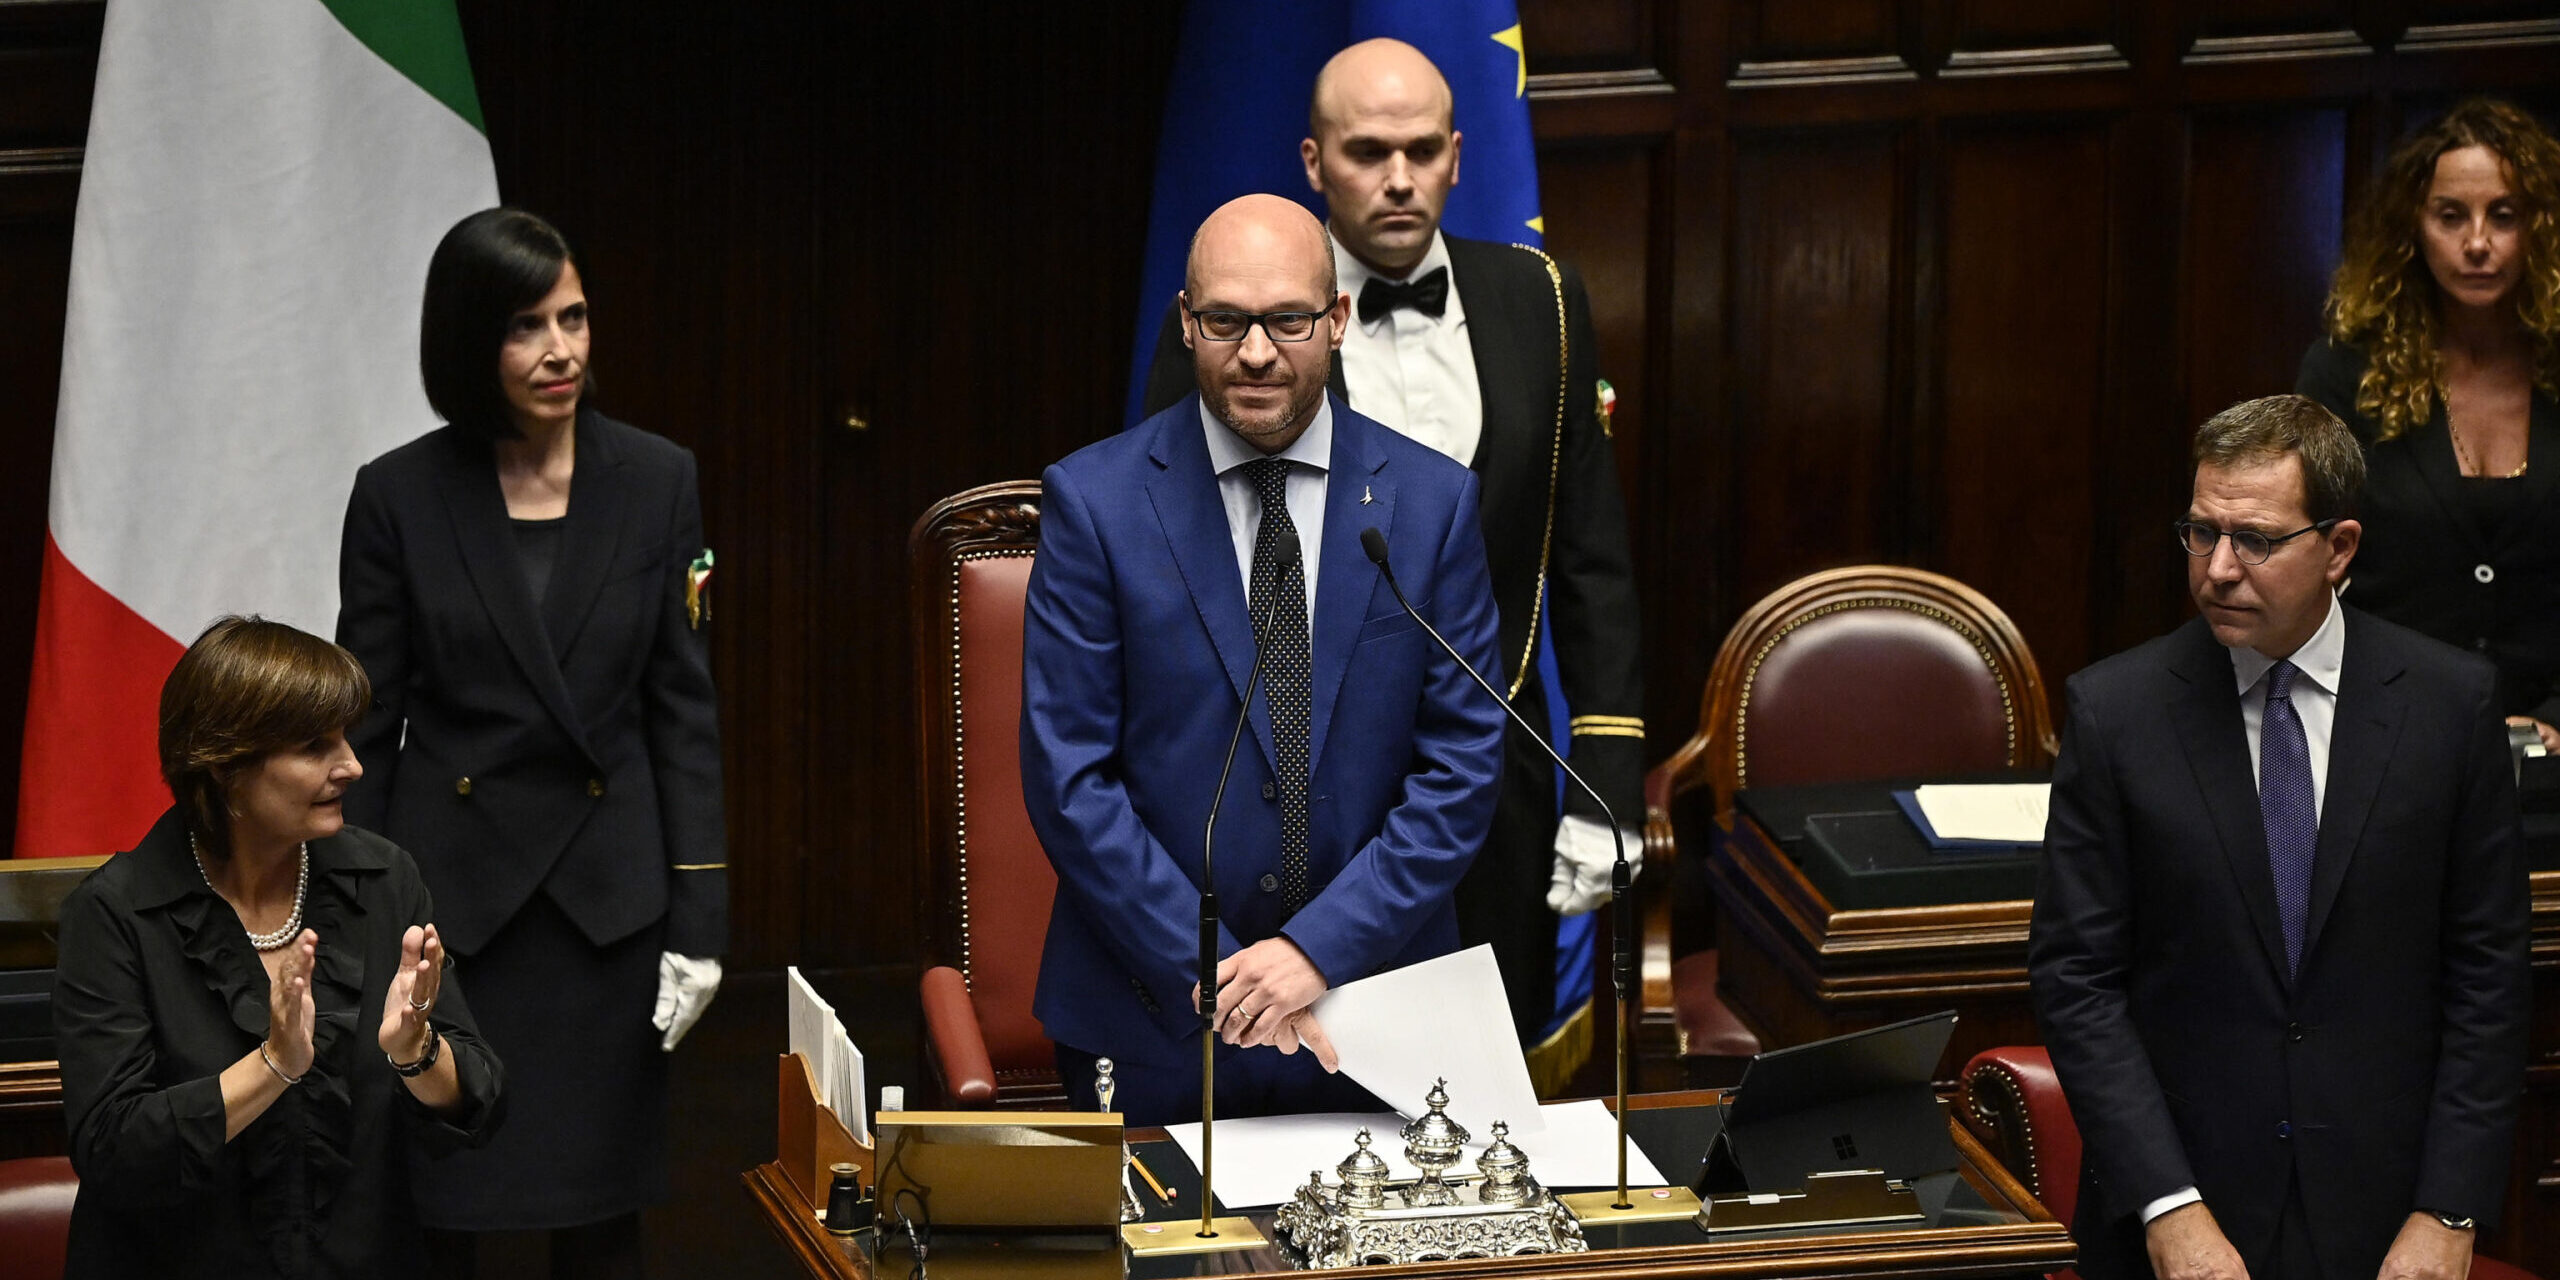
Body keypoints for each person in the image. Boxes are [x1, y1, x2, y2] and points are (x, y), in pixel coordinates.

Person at [1141, 39, 1644, 1080]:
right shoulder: (1239, 325)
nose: (1401, 178)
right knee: (1315, 1090)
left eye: (1422, 150)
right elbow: (1179, 563)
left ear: (1459, 154)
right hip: (1304, 796)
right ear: (1315, 162)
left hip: (1492, 779)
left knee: (1482, 1099)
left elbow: (1590, 557)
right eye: (1369, 152)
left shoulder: (1542, 300)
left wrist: (1606, 777)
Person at [1025, 193, 1506, 1126]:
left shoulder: (1432, 504)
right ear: (1186, 321)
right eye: (1225, 322)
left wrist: (1317, 951)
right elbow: (1069, 779)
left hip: (1377, 1013)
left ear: (1338, 318)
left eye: (1288, 320)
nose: (1255, 353)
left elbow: (1462, 766)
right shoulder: (1093, 505)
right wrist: (1219, 971)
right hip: (1157, 1017)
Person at [2028, 395, 2530, 1280]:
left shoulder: (2450, 707)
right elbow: (2078, 979)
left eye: (2255, 540)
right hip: (2176, 1224)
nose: (2219, 569)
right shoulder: (2116, 714)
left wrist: (2449, 1207)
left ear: (2339, 548)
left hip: (2390, 1220)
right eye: (2201, 532)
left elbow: (2488, 973)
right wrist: (2167, 1207)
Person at [335, 208, 726, 1278]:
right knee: (441, 1212)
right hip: (453, 914)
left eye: (574, 317)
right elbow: (365, 732)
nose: (561, 350)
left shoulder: (657, 478)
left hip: (607, 912)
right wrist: (364, 923)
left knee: (601, 1222)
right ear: (470, 340)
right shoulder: (399, 495)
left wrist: (701, 919)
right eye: (525, 326)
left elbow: (682, 712)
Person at [52, 616, 505, 1278]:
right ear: (225, 765)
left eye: (346, 736)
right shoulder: (117, 912)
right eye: (315, 746)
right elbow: (113, 1148)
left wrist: (418, 1054)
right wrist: (274, 1066)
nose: (352, 765)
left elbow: (479, 1098)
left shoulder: (382, 879)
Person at [2297, 98, 2560, 751]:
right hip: (2383, 732)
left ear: (2541, 227)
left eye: (2504, 215)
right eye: (2451, 216)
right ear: (2413, 227)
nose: (2478, 242)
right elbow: (2303, 560)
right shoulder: (2346, 371)